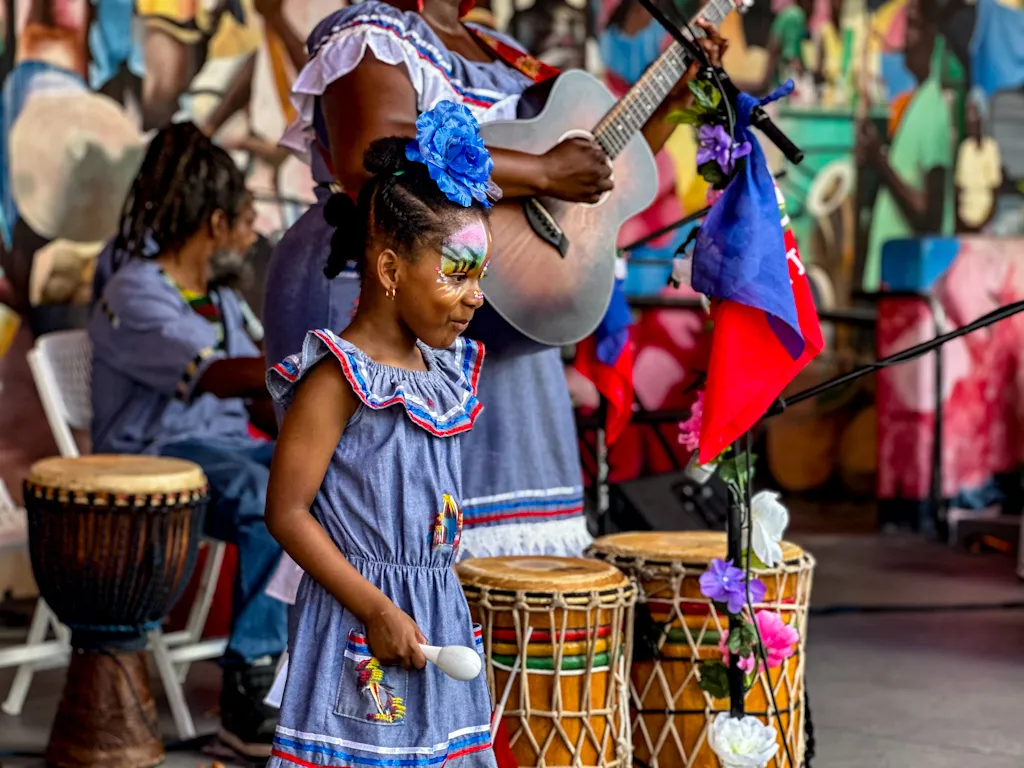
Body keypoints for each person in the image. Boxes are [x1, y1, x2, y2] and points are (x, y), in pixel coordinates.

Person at [263, 0, 725, 595]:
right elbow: (373, 156)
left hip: (495, 312)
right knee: (387, 547)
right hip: (380, 291)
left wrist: (671, 108)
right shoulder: (374, 30)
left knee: (498, 576)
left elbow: (582, 186)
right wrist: (541, 170)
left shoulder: (498, 50)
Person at [263, 108, 495, 768]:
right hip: (358, 622)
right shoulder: (337, 377)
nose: (475, 296)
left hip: (433, 611)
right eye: (458, 273)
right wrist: (376, 608)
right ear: (390, 269)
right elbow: (286, 512)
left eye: (480, 275)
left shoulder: (444, 369)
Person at [88, 122, 286, 759]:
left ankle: (311, 669)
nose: (252, 233)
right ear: (217, 223)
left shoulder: (221, 300)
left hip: (222, 451)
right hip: (155, 460)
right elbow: (220, 375)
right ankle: (248, 688)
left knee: (322, 475)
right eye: (245, 220)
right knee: (266, 493)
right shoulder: (136, 291)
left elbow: (259, 390)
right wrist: (325, 360)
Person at [856, 0, 953, 291]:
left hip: (909, 288)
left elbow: (928, 214)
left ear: (931, 35)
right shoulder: (919, 101)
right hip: (894, 283)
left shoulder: (933, 109)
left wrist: (879, 160)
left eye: (912, 26)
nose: (903, 40)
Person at [955, 91, 1002, 233]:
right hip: (965, 221)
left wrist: (984, 222)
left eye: (974, 113)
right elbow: (959, 188)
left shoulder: (990, 148)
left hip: (986, 221)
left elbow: (995, 190)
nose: (970, 119)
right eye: (968, 114)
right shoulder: (965, 149)